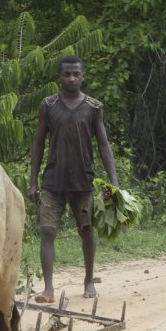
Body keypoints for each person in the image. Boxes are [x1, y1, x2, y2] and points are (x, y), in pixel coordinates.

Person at [29, 55, 119, 300]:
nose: (71, 78)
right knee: (47, 232)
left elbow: (103, 145)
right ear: (59, 77)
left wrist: (114, 181)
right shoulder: (48, 105)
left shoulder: (93, 107)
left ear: (83, 76)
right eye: (66, 74)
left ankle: (89, 281)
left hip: (83, 183)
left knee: (86, 230)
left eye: (75, 74)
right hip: (52, 183)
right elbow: (38, 144)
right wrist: (33, 181)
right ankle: (48, 289)